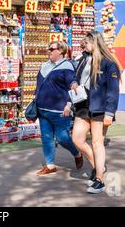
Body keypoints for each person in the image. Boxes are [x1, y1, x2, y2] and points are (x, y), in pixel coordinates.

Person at [71, 31, 121, 194]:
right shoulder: (83, 59)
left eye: (86, 42)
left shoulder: (108, 63)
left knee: (97, 142)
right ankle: (98, 166)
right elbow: (75, 77)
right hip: (82, 105)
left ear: (95, 42)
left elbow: (113, 90)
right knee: (77, 138)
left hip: (100, 108)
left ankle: (99, 179)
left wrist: (110, 112)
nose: (84, 44)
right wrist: (74, 83)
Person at [34, 41, 83, 176]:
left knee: (63, 138)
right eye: (48, 49)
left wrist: (68, 105)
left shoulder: (67, 66)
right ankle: (50, 166)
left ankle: (77, 153)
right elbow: (38, 86)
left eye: (51, 49)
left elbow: (72, 85)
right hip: (43, 109)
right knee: (46, 137)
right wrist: (35, 101)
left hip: (60, 111)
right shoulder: (44, 66)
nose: (48, 51)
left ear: (61, 51)